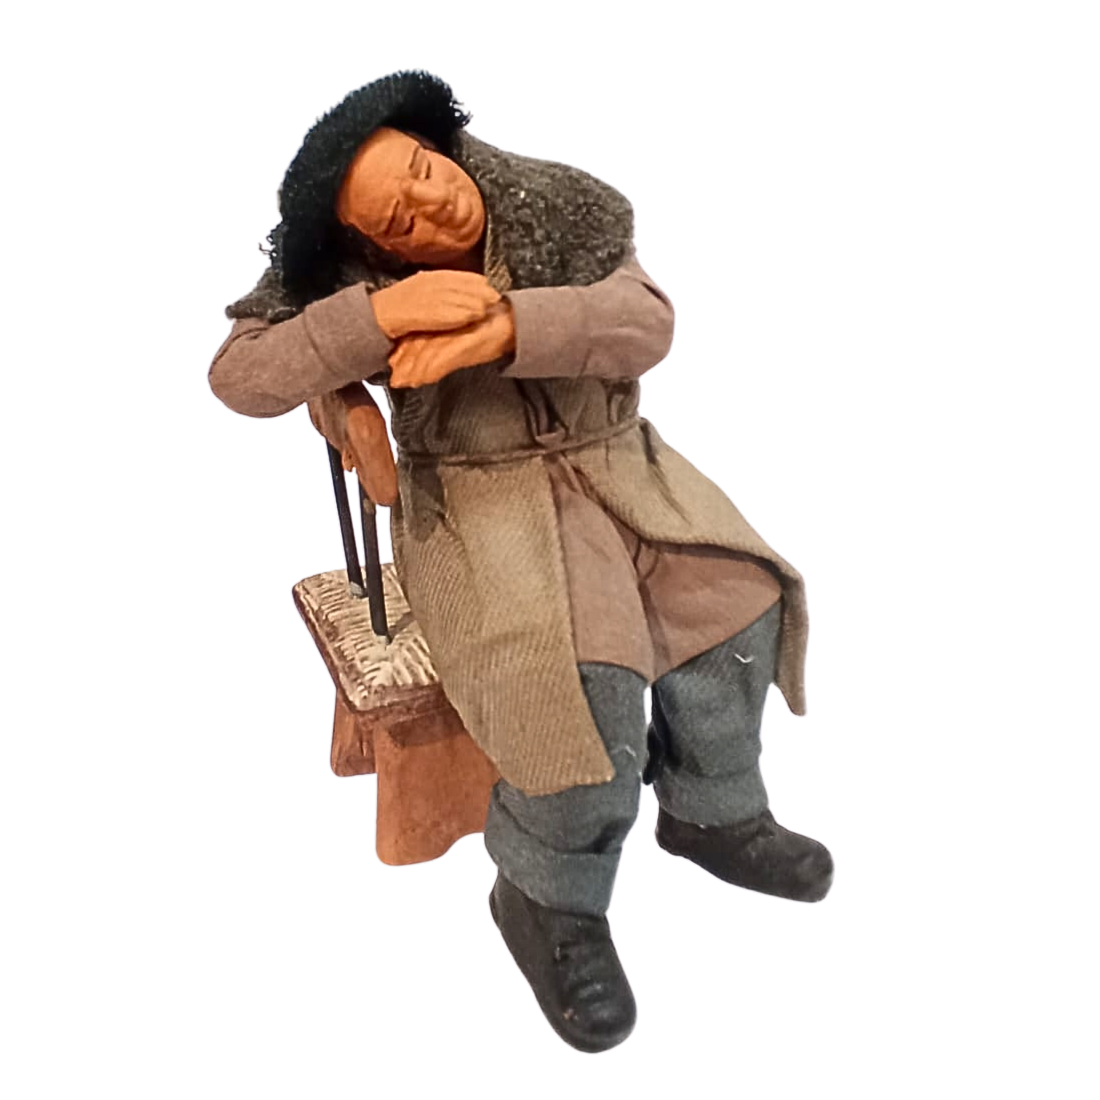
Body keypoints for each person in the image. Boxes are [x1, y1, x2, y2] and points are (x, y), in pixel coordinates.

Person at [207, 68, 834, 1056]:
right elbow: (240, 377)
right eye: (398, 221)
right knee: (575, 690)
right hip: (481, 496)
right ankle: (548, 895)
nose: (431, 207)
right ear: (371, 244)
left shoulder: (557, 208)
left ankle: (713, 808)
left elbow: (648, 323)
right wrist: (380, 319)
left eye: (423, 174)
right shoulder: (350, 280)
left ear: (441, 147)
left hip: (617, 460)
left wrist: (508, 327)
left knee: (733, 603)